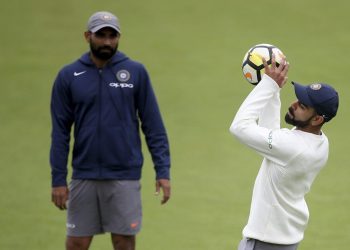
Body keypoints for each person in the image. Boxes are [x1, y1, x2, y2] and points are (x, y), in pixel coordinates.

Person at [50, 11, 171, 250]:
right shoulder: (69, 76)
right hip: (84, 174)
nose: (107, 41)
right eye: (101, 35)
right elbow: (60, 133)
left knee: (124, 243)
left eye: (112, 36)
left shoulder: (136, 72)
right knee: (76, 243)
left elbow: (153, 126)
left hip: (124, 175)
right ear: (87, 36)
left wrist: (163, 171)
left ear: (119, 37)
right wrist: (58, 180)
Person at [229, 55, 339, 250]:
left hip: (264, 243)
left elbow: (239, 127)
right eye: (299, 98)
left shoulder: (292, 147)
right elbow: (272, 136)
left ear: (316, 120)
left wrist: (267, 86)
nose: (294, 104)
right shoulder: (320, 142)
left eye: (302, 106)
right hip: (284, 241)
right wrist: (273, 91)